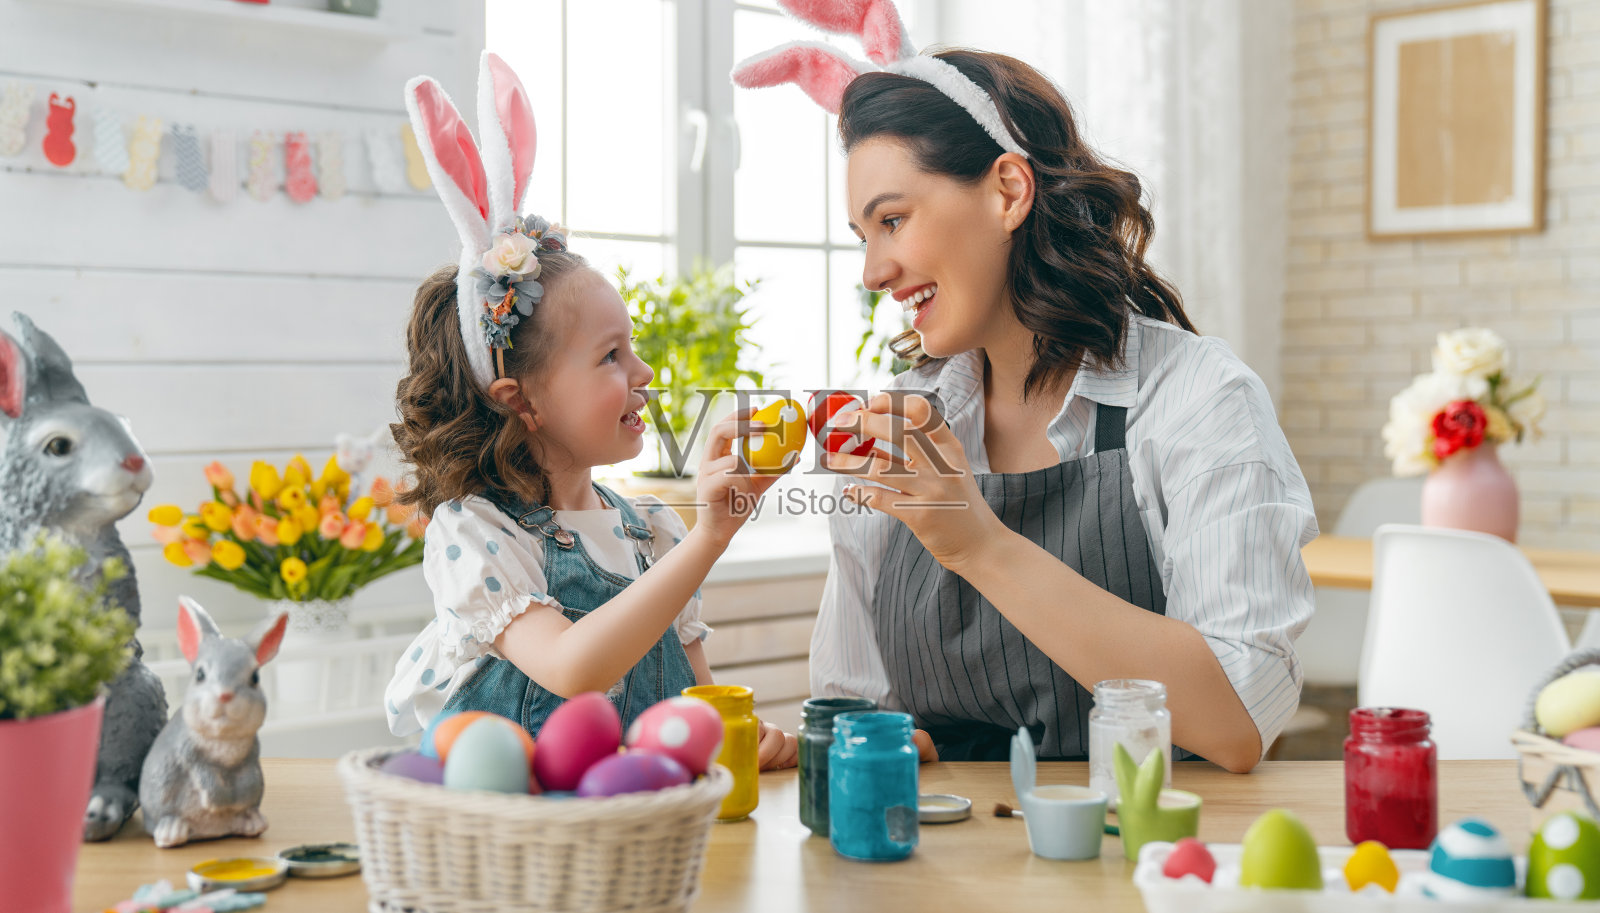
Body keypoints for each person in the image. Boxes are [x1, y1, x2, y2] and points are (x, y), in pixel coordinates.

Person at [734, 1, 1315, 772]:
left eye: (894, 220)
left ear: (1008, 191)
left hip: (1150, 865)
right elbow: (857, 700)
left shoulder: (1196, 399)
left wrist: (979, 544)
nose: (874, 271)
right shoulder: (895, 426)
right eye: (863, 237)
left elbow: (1241, 716)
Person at [383, 52, 798, 770]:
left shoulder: (655, 533)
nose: (643, 373)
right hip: (514, 850)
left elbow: (697, 715)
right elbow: (572, 667)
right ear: (525, 401)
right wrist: (713, 538)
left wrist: (746, 740)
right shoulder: (476, 534)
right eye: (611, 356)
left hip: (632, 844)